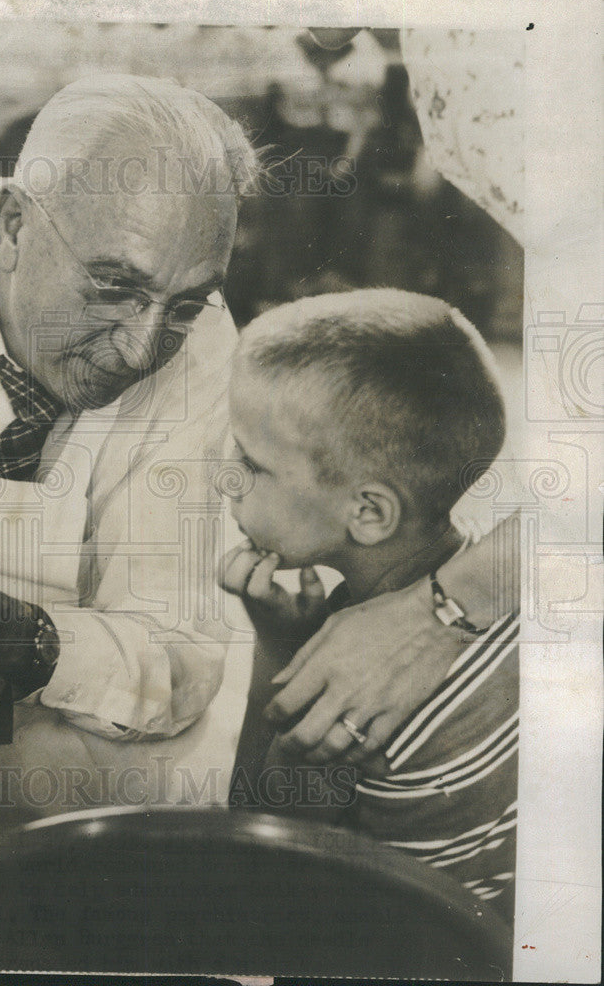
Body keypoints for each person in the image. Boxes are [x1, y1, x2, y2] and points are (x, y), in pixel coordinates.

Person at [0, 72, 515, 780]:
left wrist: (11, 634)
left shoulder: (203, 352)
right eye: (113, 286)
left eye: (187, 302)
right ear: (12, 227)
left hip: (10, 748)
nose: (141, 348)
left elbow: (179, 662)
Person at [221, 289, 517, 916]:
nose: (226, 477)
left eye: (250, 462)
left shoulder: (361, 696)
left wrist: (276, 658)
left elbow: (255, 853)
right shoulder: (508, 600)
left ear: (369, 512)